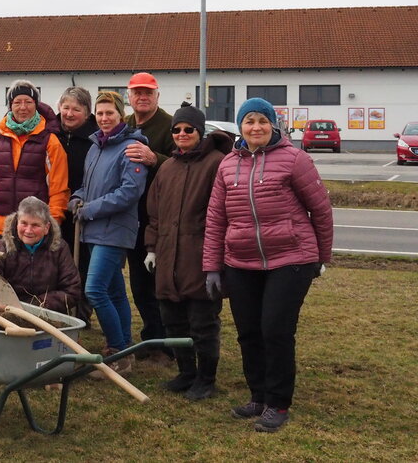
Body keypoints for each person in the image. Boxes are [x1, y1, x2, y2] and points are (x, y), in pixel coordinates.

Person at [204, 98, 333, 433]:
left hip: (291, 259)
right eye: (249, 121)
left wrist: (322, 257)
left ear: (274, 124)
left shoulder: (295, 160)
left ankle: (278, 403)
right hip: (241, 261)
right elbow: (216, 218)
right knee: (248, 332)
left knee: (275, 330)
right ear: (240, 127)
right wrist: (213, 267)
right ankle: (258, 396)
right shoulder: (227, 165)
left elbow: (320, 210)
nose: (256, 127)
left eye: (263, 120)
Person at [144, 105, 233, 400]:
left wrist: (217, 258)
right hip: (168, 256)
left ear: (200, 132)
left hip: (201, 257)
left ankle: (206, 378)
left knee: (203, 322)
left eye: (188, 129)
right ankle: (186, 372)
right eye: (177, 130)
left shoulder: (216, 163)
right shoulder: (167, 167)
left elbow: (225, 214)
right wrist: (152, 247)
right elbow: (154, 214)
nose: (182, 134)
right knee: (173, 320)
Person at [70, 91, 148, 375]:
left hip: (115, 230)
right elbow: (87, 186)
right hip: (93, 229)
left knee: (94, 290)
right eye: (100, 114)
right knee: (114, 291)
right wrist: (77, 198)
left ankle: (116, 350)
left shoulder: (131, 147)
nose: (104, 119)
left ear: (121, 115)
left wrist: (90, 209)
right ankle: (126, 349)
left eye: (109, 114)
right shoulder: (96, 147)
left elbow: (129, 191)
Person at [0, 79, 68, 247]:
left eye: (28, 102)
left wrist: (53, 219)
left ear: (36, 104)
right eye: (17, 102)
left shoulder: (50, 141)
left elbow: (58, 187)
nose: (23, 107)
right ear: (10, 105)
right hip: (0, 226)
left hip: (34, 228)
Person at [123, 72, 176, 360]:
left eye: (148, 93)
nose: (142, 97)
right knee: (139, 283)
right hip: (132, 215)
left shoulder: (169, 125)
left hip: (161, 217)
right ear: (129, 97)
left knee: (159, 281)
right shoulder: (126, 124)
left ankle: (166, 342)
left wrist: (155, 158)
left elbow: (184, 165)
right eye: (137, 93)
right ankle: (151, 338)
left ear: (157, 96)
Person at [0, 196, 84, 315]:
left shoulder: (59, 249)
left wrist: (36, 305)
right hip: (8, 312)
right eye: (24, 223)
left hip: (47, 314)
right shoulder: (4, 246)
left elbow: (72, 291)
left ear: (46, 228)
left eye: (35, 225)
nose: (28, 230)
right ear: (16, 222)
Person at [54, 85, 98, 321]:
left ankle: (82, 312)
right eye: (65, 107)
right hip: (56, 207)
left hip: (84, 209)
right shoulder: (52, 134)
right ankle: (60, 308)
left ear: (87, 113)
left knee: (83, 263)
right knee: (58, 260)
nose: (69, 114)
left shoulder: (95, 139)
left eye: (76, 109)